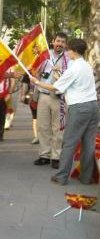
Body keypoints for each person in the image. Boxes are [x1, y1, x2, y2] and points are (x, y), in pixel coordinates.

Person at [30, 38, 98, 185]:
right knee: (88, 144)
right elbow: (71, 83)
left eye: (68, 50)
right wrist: (59, 75)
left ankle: (61, 177)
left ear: (73, 51)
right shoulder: (86, 65)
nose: (66, 52)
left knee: (68, 143)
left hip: (79, 108)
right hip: (93, 106)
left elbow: (55, 88)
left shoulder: (74, 68)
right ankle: (86, 178)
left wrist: (36, 82)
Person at [34, 33, 69, 169]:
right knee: (42, 127)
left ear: (66, 45)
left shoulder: (68, 59)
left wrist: (62, 70)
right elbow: (36, 73)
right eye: (58, 41)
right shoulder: (44, 56)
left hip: (59, 97)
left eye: (63, 42)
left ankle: (56, 157)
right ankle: (44, 155)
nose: (60, 44)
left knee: (58, 129)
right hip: (43, 95)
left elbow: (71, 75)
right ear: (53, 42)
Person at [21, 74, 39, 144]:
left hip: (41, 96)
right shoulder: (28, 71)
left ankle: (38, 136)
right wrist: (23, 95)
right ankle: (37, 136)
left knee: (36, 117)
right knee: (35, 117)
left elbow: (24, 84)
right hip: (33, 97)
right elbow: (25, 84)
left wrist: (23, 95)